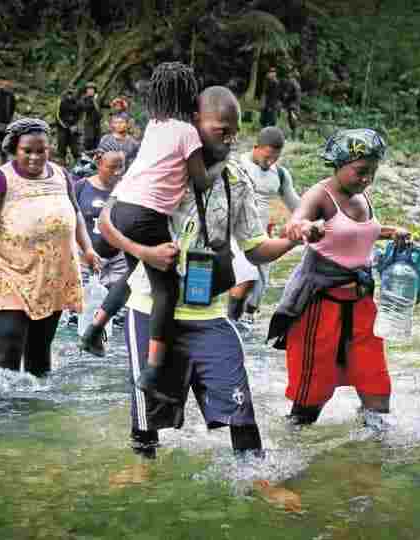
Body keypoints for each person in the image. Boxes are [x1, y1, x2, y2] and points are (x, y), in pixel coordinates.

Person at [98, 86, 322, 458]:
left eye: (235, 131)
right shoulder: (156, 167)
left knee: (238, 401)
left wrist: (294, 239)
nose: (231, 139)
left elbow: (256, 249)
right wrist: (144, 252)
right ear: (194, 124)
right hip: (151, 308)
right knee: (147, 411)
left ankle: (255, 474)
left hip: (209, 312)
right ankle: (142, 467)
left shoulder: (236, 180)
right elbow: (108, 222)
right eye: (222, 130)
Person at [78, 62, 216, 405]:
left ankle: (95, 328)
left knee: (136, 271)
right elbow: (201, 181)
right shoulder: (187, 132)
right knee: (165, 290)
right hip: (146, 213)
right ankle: (153, 370)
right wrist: (219, 164)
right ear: (189, 97)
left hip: (122, 205)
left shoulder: (156, 125)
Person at [267, 128, 407, 429]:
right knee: (310, 401)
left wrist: (392, 232)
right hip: (320, 306)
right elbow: (297, 221)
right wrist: (302, 228)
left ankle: (371, 461)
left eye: (373, 171)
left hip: (361, 304)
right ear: (340, 163)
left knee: (377, 389)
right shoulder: (320, 195)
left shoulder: (362, 195)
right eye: (360, 171)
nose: (367, 178)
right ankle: (290, 452)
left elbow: (359, 233)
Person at [0, 118, 99, 377]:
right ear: (14, 149)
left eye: (42, 150)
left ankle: (33, 413)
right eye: (27, 151)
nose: (35, 157)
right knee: (6, 351)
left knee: (39, 357)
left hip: (53, 276)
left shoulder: (62, 175)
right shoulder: (0, 179)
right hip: (11, 274)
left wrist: (88, 248)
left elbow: (76, 214)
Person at [227, 126, 302, 323]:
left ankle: (247, 327)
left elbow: (298, 206)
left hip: (262, 238)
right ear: (256, 147)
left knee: (257, 291)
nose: (270, 162)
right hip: (235, 235)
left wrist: (315, 221)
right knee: (246, 278)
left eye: (275, 158)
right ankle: (229, 324)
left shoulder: (281, 175)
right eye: (267, 156)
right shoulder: (236, 165)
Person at [75, 151, 129, 322]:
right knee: (78, 314)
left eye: (121, 167)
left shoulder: (128, 190)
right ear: (99, 165)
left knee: (118, 314)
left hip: (118, 261)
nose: (118, 172)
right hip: (84, 259)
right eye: (112, 167)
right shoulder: (81, 187)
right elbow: (69, 219)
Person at [54, 88, 81, 165]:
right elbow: (57, 116)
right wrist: (66, 126)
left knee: (75, 147)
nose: (70, 96)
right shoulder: (61, 102)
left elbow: (79, 116)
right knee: (62, 145)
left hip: (73, 128)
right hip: (63, 127)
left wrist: (76, 125)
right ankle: (61, 163)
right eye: (68, 94)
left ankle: (77, 164)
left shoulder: (77, 103)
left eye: (71, 94)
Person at [79, 82, 103, 151]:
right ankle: (85, 154)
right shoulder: (84, 99)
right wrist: (93, 101)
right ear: (86, 91)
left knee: (97, 140)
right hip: (89, 123)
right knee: (89, 140)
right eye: (89, 89)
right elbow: (85, 108)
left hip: (97, 123)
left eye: (92, 89)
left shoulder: (97, 99)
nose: (91, 91)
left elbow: (101, 106)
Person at [281, 69, 302, 137]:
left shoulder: (292, 83)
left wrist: (286, 97)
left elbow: (289, 94)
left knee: (292, 120)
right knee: (293, 119)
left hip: (292, 105)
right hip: (295, 104)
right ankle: (293, 135)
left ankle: (292, 135)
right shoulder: (297, 84)